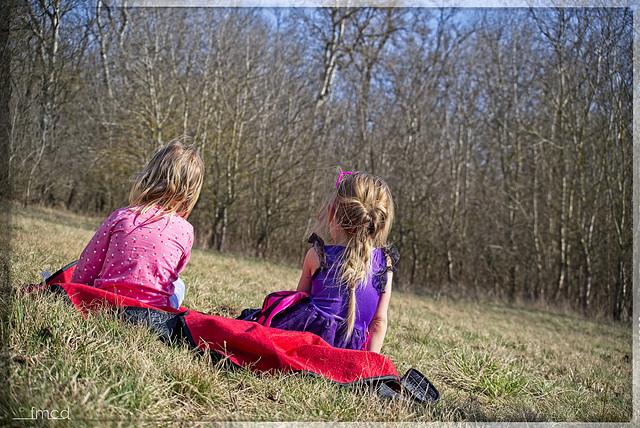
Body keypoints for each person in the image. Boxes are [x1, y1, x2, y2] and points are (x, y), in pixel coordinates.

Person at [247, 170, 398, 353]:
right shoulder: (384, 264)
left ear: (331, 214)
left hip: (309, 344)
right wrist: (369, 365)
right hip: (351, 353)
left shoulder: (317, 256)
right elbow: (379, 323)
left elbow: (297, 301)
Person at [70, 137, 204, 309]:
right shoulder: (185, 230)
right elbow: (174, 271)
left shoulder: (121, 215)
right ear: (189, 195)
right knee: (179, 285)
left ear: (149, 176)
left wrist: (76, 291)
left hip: (105, 303)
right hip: (153, 313)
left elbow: (88, 263)